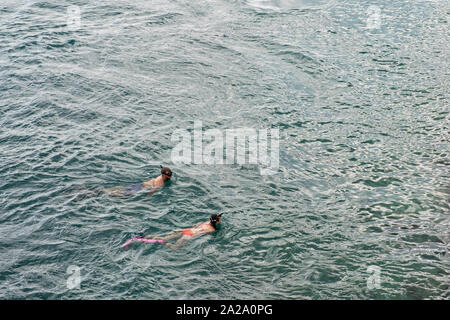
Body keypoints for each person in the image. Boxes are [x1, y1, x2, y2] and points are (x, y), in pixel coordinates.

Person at [142, 213, 223, 249]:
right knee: (175, 247)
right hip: (189, 235)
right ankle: (161, 242)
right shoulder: (212, 230)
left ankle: (148, 236)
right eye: (219, 219)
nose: (220, 219)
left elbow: (197, 224)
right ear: (216, 222)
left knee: (165, 237)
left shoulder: (207, 222)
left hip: (187, 230)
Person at [103, 166, 172, 197]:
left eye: (170, 175)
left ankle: (109, 189)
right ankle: (104, 191)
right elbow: (152, 191)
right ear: (163, 175)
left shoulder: (160, 176)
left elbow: (163, 169)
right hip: (140, 188)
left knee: (124, 188)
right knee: (124, 195)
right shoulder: (160, 183)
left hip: (140, 184)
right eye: (168, 176)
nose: (170, 177)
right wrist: (146, 199)